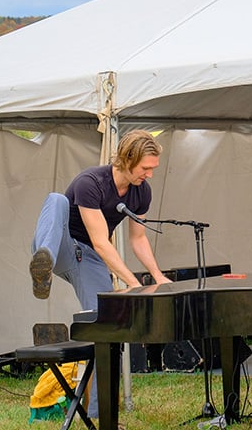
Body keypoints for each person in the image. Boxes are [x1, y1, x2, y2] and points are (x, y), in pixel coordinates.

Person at [29, 129, 172, 419]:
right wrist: (133, 283)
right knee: (57, 200)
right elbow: (100, 241)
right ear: (127, 159)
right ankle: (43, 265)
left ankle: (100, 415)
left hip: (89, 259)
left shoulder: (141, 191)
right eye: (145, 168)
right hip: (63, 244)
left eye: (153, 168)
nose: (150, 175)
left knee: (107, 328)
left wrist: (158, 276)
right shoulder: (91, 182)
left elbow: (138, 239)